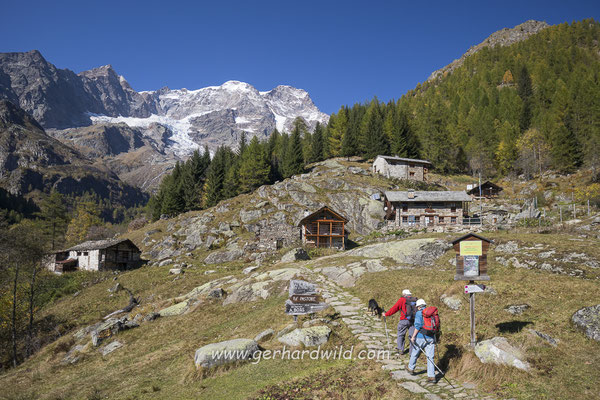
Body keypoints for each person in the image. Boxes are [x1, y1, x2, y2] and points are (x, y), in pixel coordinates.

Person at [408, 299, 436, 382]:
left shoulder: (419, 313)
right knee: (430, 357)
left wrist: (413, 337)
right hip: (431, 337)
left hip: (421, 337)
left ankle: (410, 368)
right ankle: (431, 376)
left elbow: (417, 326)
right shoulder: (432, 313)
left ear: (419, 306)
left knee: (415, 353)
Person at [383, 289, 416, 355]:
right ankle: (412, 353)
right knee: (412, 336)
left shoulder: (402, 299)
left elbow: (395, 308)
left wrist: (386, 314)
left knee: (401, 334)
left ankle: (400, 349)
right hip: (413, 321)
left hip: (404, 320)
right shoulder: (414, 300)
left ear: (404, 294)